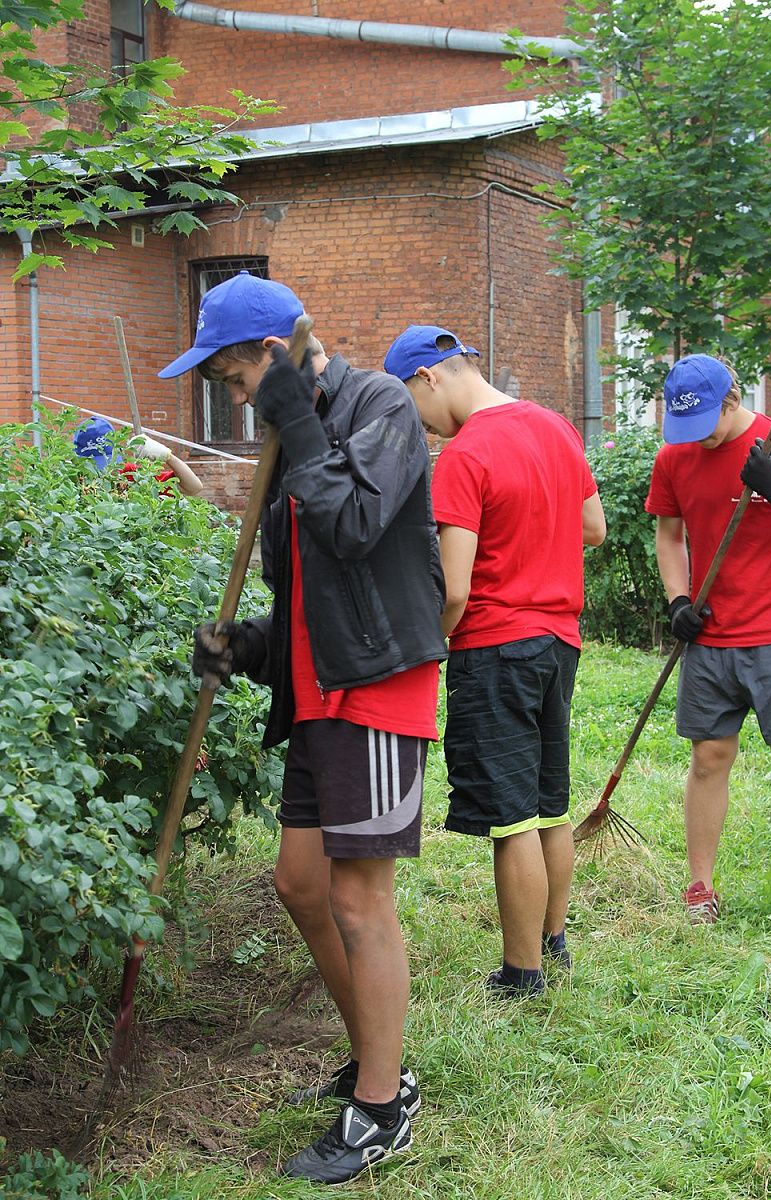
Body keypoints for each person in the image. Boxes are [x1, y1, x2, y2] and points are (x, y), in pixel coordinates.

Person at [158, 272, 447, 1184]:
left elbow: (357, 525)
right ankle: (376, 1062)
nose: (234, 398)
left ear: (273, 356)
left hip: (376, 689)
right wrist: (245, 646)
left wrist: (300, 425)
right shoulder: (291, 436)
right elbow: (311, 591)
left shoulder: (380, 410)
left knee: (360, 899)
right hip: (320, 687)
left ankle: (379, 1107)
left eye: (237, 379)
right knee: (299, 885)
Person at [383, 325, 605, 997]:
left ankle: (522, 975)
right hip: (558, 641)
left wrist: (431, 641)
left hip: (494, 647)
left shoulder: (464, 454)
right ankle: (553, 940)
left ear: (429, 379)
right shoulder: (555, 426)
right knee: (548, 805)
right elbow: (593, 528)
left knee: (511, 819)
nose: (419, 427)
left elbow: (454, 588)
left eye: (409, 408)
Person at [645, 353, 771, 923]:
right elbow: (669, 536)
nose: (695, 440)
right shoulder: (675, 456)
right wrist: (678, 600)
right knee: (710, 757)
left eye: (704, 423)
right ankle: (700, 888)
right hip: (710, 636)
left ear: (734, 402)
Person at [73, 416, 204, 497]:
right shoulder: (69, 480)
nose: (102, 472)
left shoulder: (129, 475)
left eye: (106, 463)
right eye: (94, 464)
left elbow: (194, 487)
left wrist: (167, 456)